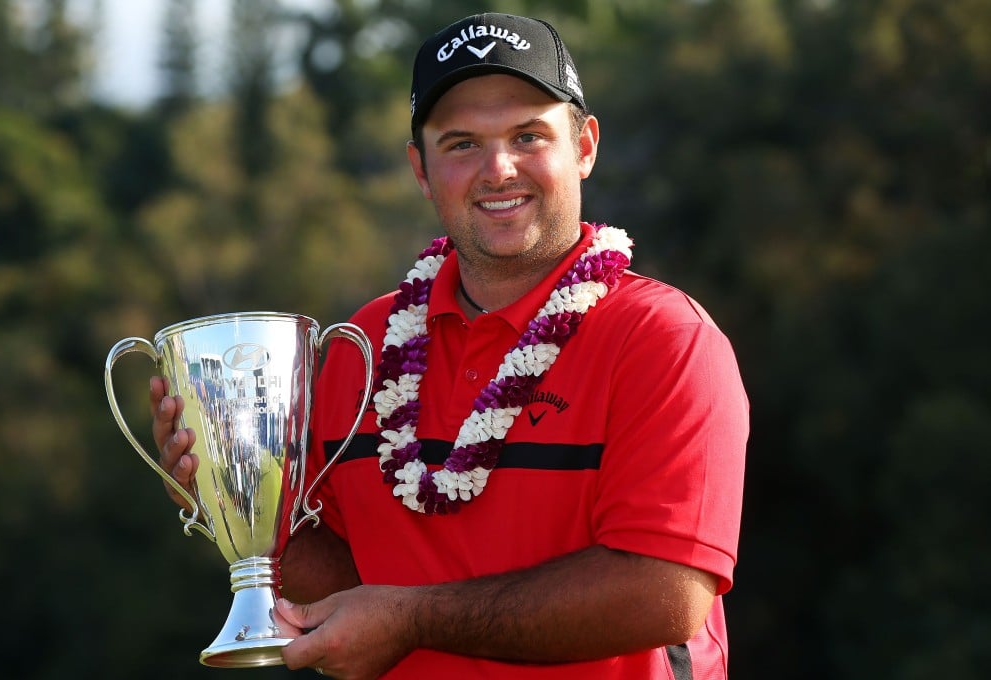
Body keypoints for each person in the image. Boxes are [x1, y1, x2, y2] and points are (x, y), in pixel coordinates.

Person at [151, 12, 748, 680]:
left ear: (584, 146)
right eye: (461, 143)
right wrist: (225, 495)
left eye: (529, 135)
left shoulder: (664, 339)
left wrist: (417, 618)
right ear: (421, 168)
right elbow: (347, 576)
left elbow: (664, 596)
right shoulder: (363, 345)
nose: (499, 170)